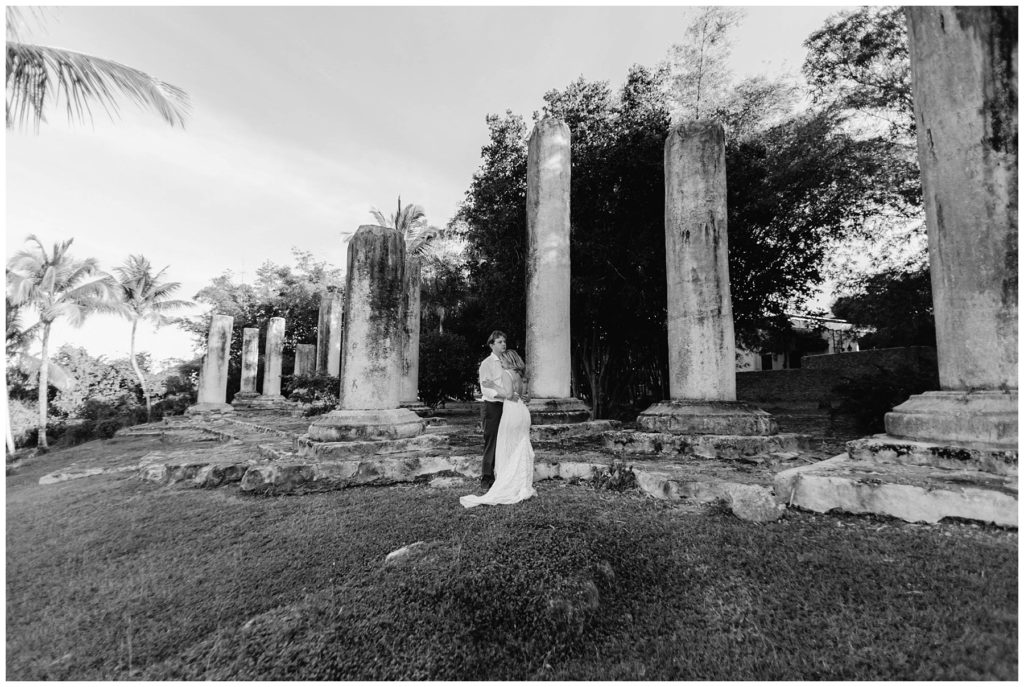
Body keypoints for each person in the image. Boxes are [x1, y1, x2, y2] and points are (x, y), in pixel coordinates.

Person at [460, 349, 536, 508]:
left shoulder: (506, 373)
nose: (501, 363)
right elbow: (526, 396)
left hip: (512, 411)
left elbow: (508, 395)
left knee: (507, 445)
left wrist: (493, 384)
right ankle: (522, 481)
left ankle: (508, 480)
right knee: (521, 444)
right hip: (523, 412)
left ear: (508, 360)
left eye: (502, 361)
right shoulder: (522, 376)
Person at [476, 330, 506, 489]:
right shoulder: (486, 364)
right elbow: (485, 389)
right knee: (491, 440)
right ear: (492, 344)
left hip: (507, 406)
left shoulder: (506, 362)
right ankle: (486, 478)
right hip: (492, 406)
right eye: (500, 342)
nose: (504, 344)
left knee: (505, 439)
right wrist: (503, 395)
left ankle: (501, 474)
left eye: (504, 341)